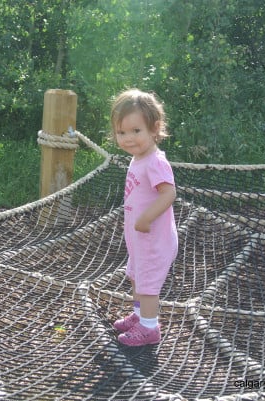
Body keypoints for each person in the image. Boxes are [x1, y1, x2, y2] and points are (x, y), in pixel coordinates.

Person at [110, 89, 178, 346]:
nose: (128, 139)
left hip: (153, 240)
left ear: (154, 128)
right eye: (121, 132)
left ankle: (150, 328)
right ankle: (139, 315)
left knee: (148, 286)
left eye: (136, 131)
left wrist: (146, 218)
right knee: (137, 278)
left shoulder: (155, 162)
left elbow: (168, 193)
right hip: (140, 239)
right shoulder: (138, 158)